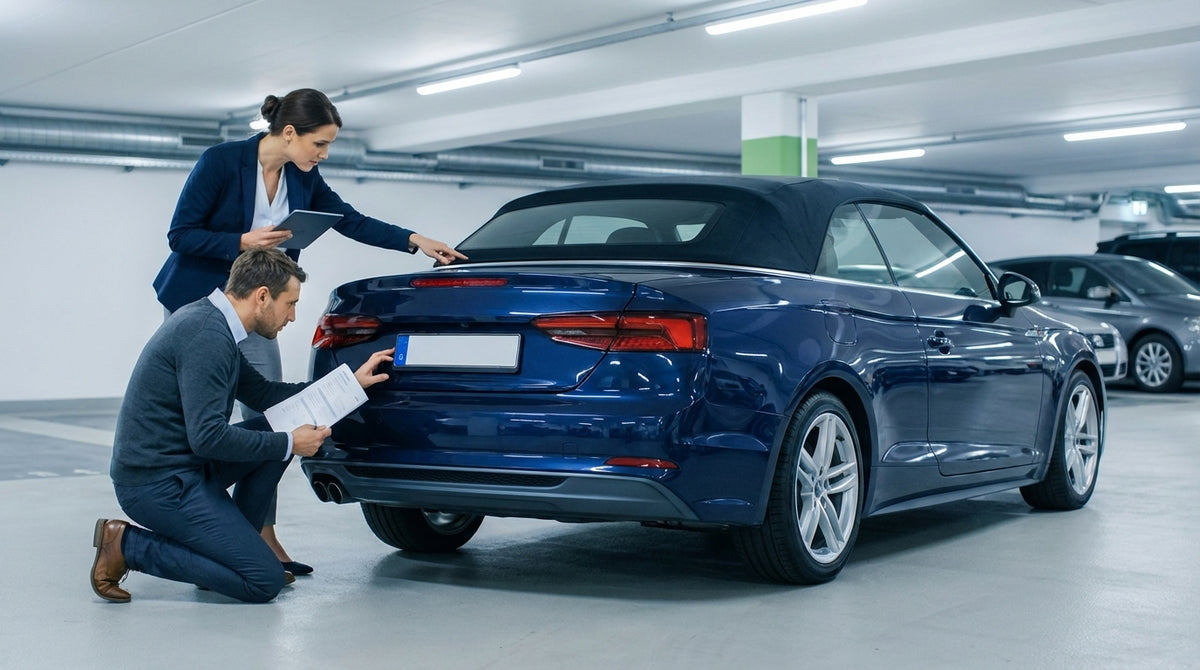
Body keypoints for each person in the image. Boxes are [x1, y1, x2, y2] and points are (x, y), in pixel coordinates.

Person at [151, 88, 466, 573]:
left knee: (278, 415)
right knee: (206, 421)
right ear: (289, 133)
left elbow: (350, 220)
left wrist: (414, 240)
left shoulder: (303, 176)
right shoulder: (221, 162)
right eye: (319, 143)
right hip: (200, 305)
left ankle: (261, 533)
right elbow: (181, 235)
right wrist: (241, 241)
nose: (323, 154)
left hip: (259, 309)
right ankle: (199, 524)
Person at [92, 248, 393, 603]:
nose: (292, 316)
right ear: (262, 296)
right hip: (155, 485)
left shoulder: (217, 325)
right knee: (263, 581)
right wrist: (290, 443)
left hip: (186, 468)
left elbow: (265, 394)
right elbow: (207, 438)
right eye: (290, 303)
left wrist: (349, 384)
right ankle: (127, 545)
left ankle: (231, 557)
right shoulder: (206, 334)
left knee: (281, 425)